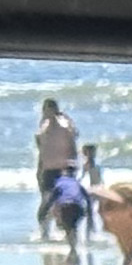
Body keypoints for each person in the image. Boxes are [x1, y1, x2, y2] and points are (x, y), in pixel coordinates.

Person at [32, 97, 75, 239]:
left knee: (63, 202)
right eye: (45, 110)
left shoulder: (65, 127)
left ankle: (66, 232)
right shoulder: (42, 130)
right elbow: (42, 151)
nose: (46, 112)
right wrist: (39, 170)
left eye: (50, 109)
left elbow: (72, 142)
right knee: (46, 202)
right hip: (48, 169)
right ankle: (44, 233)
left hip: (63, 169)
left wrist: (72, 166)